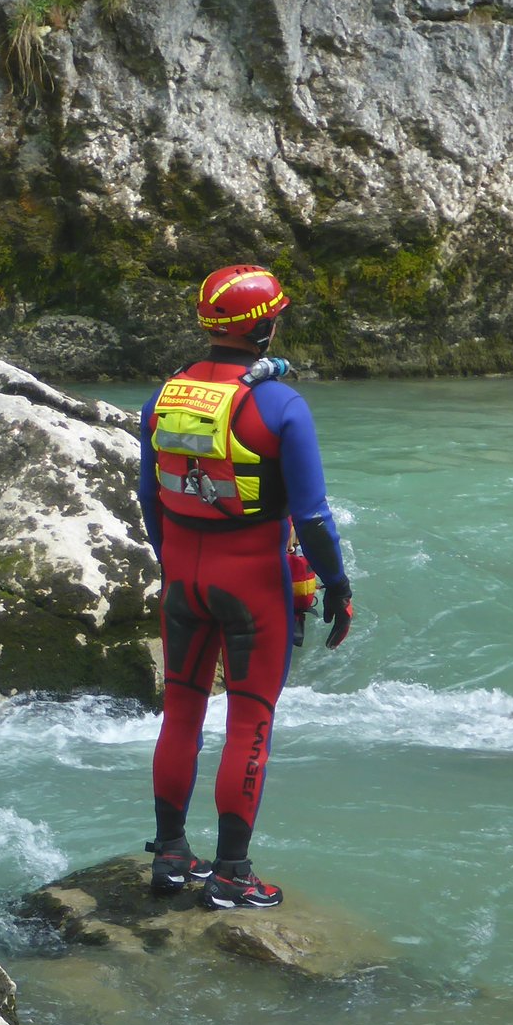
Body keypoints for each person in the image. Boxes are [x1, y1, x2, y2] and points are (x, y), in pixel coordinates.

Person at [136, 265, 355, 910]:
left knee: (181, 712)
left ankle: (171, 855)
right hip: (252, 581)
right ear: (265, 326)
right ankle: (232, 873)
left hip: (184, 579)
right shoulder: (281, 404)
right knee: (247, 722)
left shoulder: (166, 395)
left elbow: (151, 496)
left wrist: (174, 560)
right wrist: (337, 587)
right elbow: (312, 517)